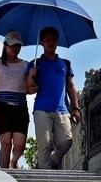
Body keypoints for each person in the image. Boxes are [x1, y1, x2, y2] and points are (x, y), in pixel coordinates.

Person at [27, 26, 81, 168]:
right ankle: (45, 173)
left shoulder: (65, 63)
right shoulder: (35, 63)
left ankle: (50, 161)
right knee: (44, 144)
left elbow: (70, 86)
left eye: (53, 40)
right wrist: (31, 75)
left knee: (66, 140)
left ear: (57, 42)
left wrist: (75, 108)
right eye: (47, 40)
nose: (50, 42)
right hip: (42, 109)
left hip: (62, 109)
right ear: (42, 42)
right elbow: (28, 89)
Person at [0, 30, 31, 168]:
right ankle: (5, 172)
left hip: (20, 107)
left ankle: (14, 160)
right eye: (12, 45)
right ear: (5, 45)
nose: (15, 48)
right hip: (1, 106)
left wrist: (33, 78)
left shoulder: (26, 65)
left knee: (20, 144)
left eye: (18, 46)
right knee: (6, 142)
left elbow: (30, 89)